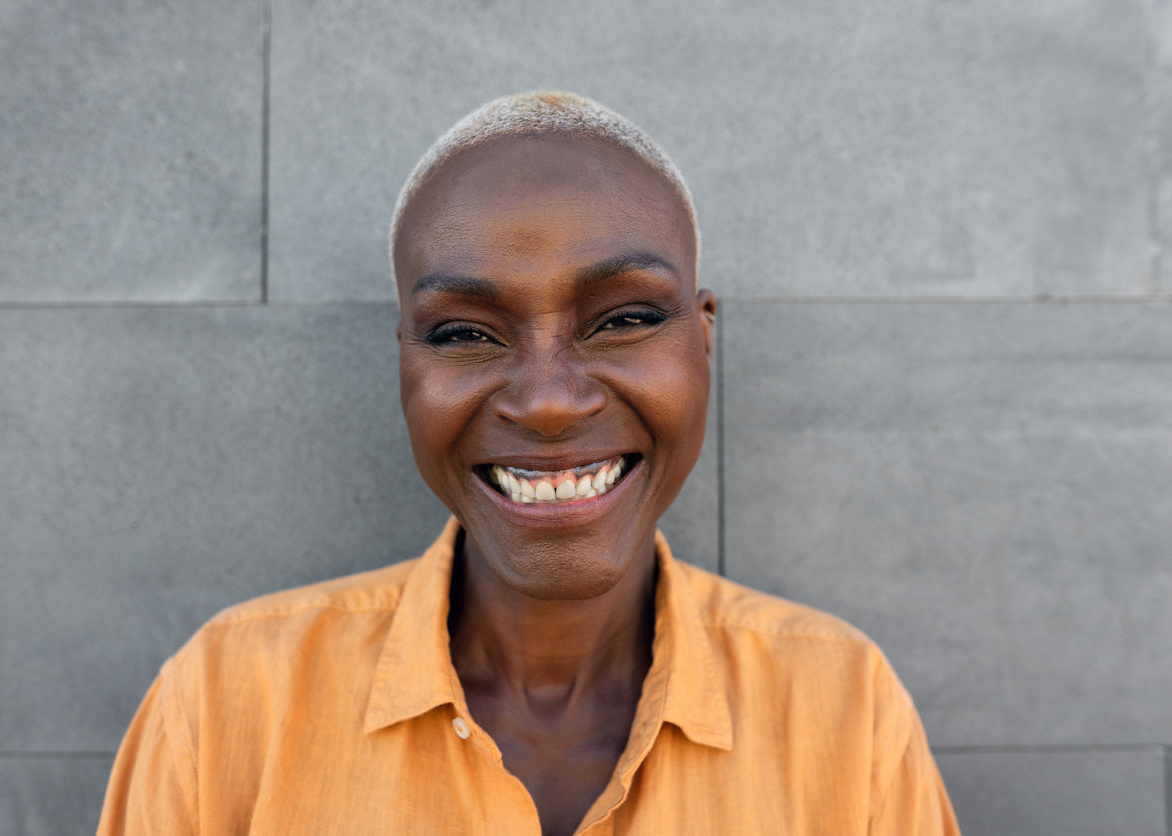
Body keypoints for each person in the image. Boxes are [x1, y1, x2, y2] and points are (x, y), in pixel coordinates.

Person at [97, 91, 959, 835]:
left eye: (623, 320)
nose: (548, 402)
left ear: (705, 337)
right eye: (464, 334)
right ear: (403, 360)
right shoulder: (224, 707)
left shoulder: (845, 710)